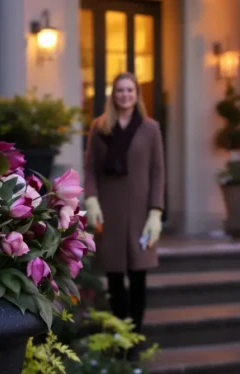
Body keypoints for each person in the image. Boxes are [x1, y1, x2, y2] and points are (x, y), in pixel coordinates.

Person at [83, 72, 165, 338]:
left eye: (130, 90)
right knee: (115, 277)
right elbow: (90, 168)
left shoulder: (150, 128)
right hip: (110, 211)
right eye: (120, 90)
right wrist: (92, 200)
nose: (125, 95)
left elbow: (158, 171)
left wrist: (156, 212)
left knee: (139, 277)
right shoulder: (100, 127)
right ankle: (120, 336)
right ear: (113, 95)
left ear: (137, 95)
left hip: (141, 212)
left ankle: (135, 336)